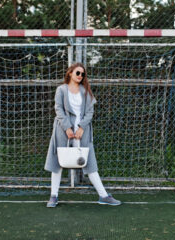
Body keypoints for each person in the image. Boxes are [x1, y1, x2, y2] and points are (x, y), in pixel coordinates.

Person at [44, 62, 121, 208]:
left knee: (90, 162)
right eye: (78, 73)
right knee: (57, 163)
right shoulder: (61, 89)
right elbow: (58, 109)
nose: (80, 76)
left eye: (83, 74)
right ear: (70, 73)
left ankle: (104, 196)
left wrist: (81, 127)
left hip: (82, 132)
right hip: (62, 130)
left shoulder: (85, 91)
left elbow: (90, 112)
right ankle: (53, 196)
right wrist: (67, 127)